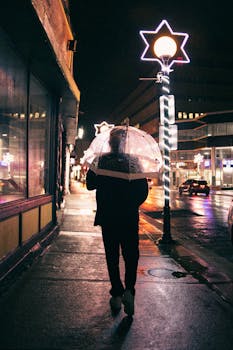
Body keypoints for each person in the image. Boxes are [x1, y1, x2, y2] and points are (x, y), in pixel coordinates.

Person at [86, 128, 148, 317]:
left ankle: (117, 292)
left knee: (112, 257)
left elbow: (90, 184)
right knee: (131, 256)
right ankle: (129, 290)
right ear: (125, 143)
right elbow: (142, 191)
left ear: (109, 143)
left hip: (108, 217)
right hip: (128, 218)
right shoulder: (133, 162)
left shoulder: (102, 161)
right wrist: (129, 205)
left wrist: (93, 165)